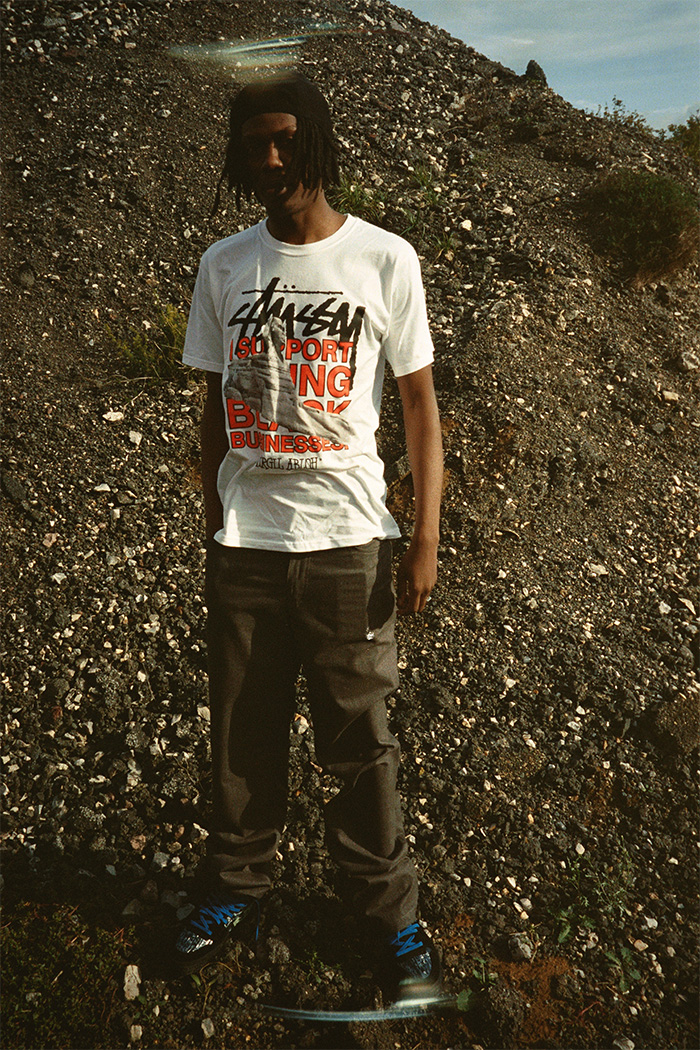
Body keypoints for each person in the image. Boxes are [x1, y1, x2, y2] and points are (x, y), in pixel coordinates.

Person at [175, 72, 444, 1006]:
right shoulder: (223, 264)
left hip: (348, 541)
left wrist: (425, 536)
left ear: (319, 141)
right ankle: (237, 888)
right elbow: (213, 400)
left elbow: (419, 406)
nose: (272, 156)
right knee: (241, 729)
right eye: (256, 142)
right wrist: (215, 516)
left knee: (359, 740)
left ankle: (389, 916)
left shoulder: (384, 259)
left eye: (287, 138)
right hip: (246, 542)